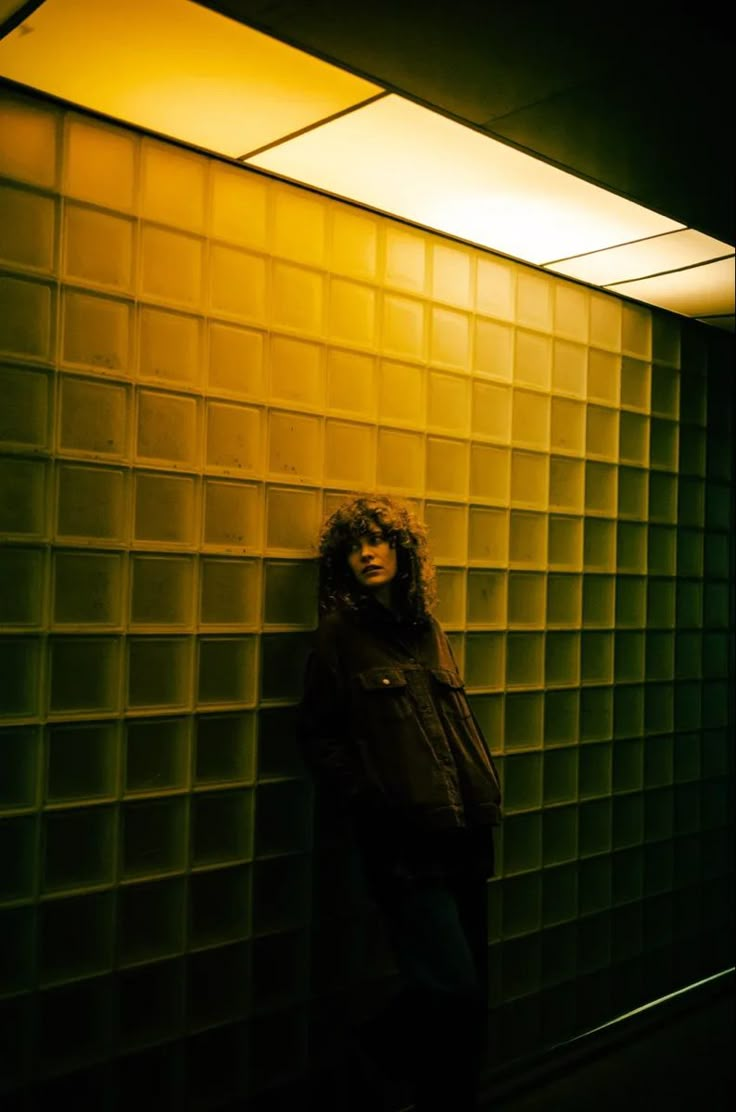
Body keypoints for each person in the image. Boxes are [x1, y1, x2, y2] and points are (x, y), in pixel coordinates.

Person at [298, 493, 502, 1112]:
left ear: (403, 552)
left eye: (379, 540)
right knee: (451, 988)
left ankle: (445, 1098)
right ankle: (369, 1058)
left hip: (463, 833)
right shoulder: (340, 637)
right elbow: (319, 736)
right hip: (404, 844)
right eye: (354, 546)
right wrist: (373, 806)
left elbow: (451, 725)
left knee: (470, 992)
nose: (366, 552)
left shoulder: (428, 631)